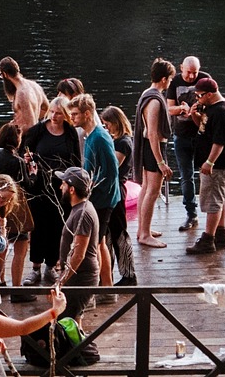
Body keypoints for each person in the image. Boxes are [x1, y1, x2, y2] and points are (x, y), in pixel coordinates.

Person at [22, 96, 81, 285]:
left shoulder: (70, 133)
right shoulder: (38, 131)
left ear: (65, 115)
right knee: (38, 227)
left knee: (58, 227)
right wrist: (29, 163)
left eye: (58, 113)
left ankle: (50, 266)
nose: (54, 116)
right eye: (52, 112)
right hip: (39, 186)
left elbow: (76, 161)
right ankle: (35, 268)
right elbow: (24, 150)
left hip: (61, 187)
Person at [69, 94, 121, 294]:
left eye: (75, 114)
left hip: (102, 201)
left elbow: (111, 171)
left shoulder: (99, 137)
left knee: (98, 244)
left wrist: (92, 194)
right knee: (98, 243)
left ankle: (106, 289)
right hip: (96, 198)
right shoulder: (89, 135)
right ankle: (105, 287)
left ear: (87, 114)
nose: (72, 118)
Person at [186, 78, 225, 254]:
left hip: (219, 166)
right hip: (214, 163)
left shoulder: (222, 112)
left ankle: (208, 239)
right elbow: (204, 127)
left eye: (199, 95)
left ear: (209, 94)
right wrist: (194, 115)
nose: (197, 98)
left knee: (212, 201)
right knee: (219, 198)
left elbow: (219, 142)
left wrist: (209, 162)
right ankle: (220, 234)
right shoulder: (210, 107)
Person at [0, 121, 32, 292]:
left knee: (1, 246)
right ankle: (17, 289)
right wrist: (33, 172)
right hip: (15, 208)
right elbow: (27, 185)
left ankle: (1, 282)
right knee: (21, 247)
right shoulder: (17, 161)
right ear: (16, 139)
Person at [133, 59, 175, 248]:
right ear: (164, 79)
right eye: (170, 79)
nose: (170, 83)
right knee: (153, 190)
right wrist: (160, 162)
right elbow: (151, 132)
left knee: (146, 189)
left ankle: (143, 229)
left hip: (149, 147)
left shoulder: (147, 93)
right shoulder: (155, 100)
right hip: (153, 148)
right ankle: (144, 234)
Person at [166, 57, 211, 231]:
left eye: (195, 72)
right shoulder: (175, 82)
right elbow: (169, 109)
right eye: (188, 72)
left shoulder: (205, 79)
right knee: (186, 176)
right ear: (181, 68)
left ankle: (211, 212)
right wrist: (182, 109)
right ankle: (191, 214)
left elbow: (213, 105)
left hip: (202, 135)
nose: (192, 76)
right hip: (181, 135)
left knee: (208, 174)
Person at [55, 166, 101, 321]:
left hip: (81, 277)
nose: (61, 187)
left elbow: (79, 254)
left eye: (63, 184)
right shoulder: (81, 208)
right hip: (77, 274)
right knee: (74, 322)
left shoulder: (83, 213)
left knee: (67, 321)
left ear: (72, 189)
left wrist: (61, 281)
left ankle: (81, 346)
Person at [99, 105, 138, 286]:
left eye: (107, 124)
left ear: (116, 123)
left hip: (117, 191)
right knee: (107, 235)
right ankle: (108, 273)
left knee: (119, 233)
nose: (105, 127)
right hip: (111, 191)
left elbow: (112, 165)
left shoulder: (123, 142)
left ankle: (129, 274)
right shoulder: (117, 140)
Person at [0, 57, 48, 133]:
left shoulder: (21, 94)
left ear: (5, 74)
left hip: (26, 139)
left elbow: (31, 126)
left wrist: (14, 127)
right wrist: (34, 115)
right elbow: (46, 109)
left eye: (1, 76)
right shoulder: (35, 86)